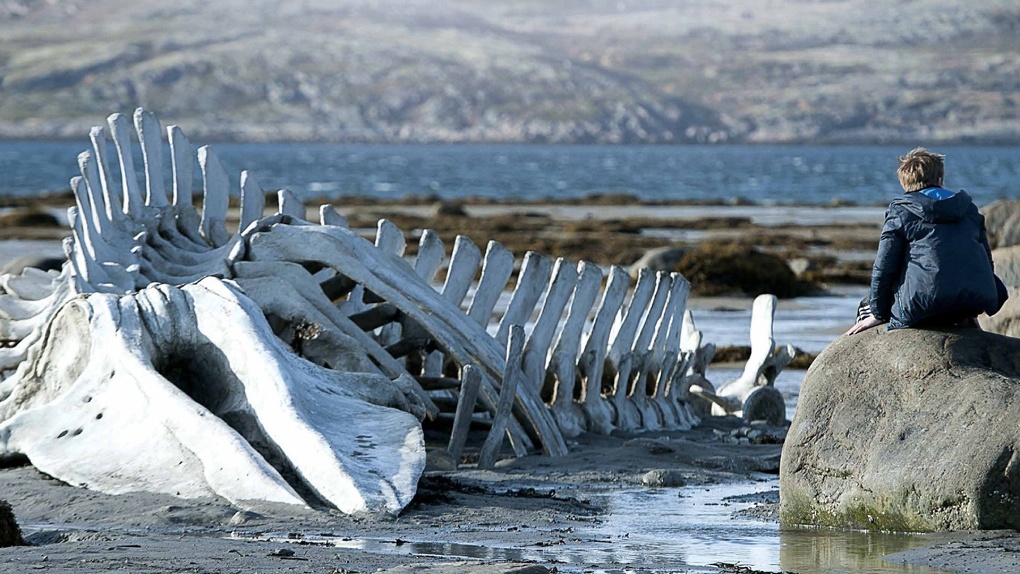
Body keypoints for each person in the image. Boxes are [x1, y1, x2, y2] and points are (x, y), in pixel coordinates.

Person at [846, 147, 1007, 335]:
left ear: (905, 184)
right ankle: (966, 319)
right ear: (940, 180)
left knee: (865, 307)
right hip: (973, 302)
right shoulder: (969, 209)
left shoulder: (901, 211)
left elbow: (884, 268)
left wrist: (878, 313)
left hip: (925, 305)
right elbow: (987, 262)